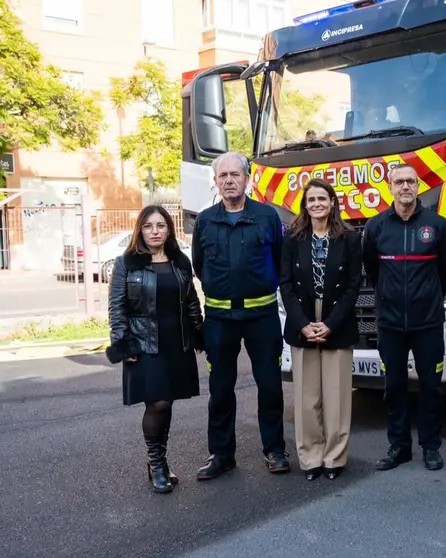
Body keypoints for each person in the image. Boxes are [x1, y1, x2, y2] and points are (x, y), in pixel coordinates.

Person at [191, 151, 291, 480]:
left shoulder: (267, 217)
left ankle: (274, 450)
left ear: (247, 179)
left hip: (261, 316)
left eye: (236, 174)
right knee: (220, 389)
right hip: (219, 320)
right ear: (216, 182)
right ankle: (222, 455)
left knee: (270, 386)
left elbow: (280, 261)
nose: (230, 180)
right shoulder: (205, 220)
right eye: (223, 176)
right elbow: (199, 265)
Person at [362, 163, 446, 472]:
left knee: (430, 386)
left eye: (410, 182)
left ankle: (431, 447)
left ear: (418, 186)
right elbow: (373, 273)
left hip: (428, 322)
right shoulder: (375, 228)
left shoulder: (437, 225)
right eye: (399, 181)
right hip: (390, 324)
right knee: (394, 386)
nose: (405, 187)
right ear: (390, 187)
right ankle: (399, 446)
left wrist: (428, 297)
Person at [107, 205, 204, 493]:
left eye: (160, 225)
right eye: (148, 226)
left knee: (168, 401)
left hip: (177, 341)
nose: (155, 231)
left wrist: (199, 335)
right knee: (157, 402)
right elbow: (117, 307)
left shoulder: (180, 261)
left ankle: (158, 460)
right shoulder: (126, 263)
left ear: (169, 229)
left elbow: (190, 302)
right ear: (140, 230)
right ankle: (157, 463)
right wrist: (122, 343)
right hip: (144, 342)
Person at [279, 179, 362, 481]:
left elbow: (354, 286)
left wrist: (330, 323)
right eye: (311, 199)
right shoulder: (292, 238)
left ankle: (334, 458)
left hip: (336, 321)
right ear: (305, 205)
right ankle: (311, 457)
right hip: (303, 319)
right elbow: (285, 284)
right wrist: (303, 324)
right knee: (307, 397)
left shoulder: (350, 238)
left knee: (337, 396)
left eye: (322, 199)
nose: (317, 204)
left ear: (332, 203)